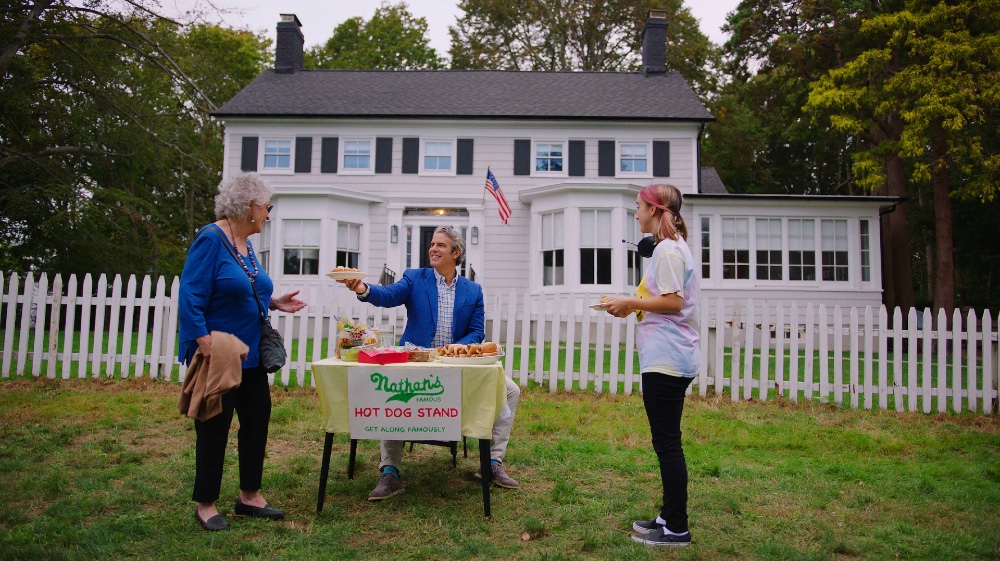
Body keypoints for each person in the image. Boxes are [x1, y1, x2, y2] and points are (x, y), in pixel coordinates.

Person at [338, 226, 521, 500]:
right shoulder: (415, 278)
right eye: (432, 244)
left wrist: (454, 349)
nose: (433, 249)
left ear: (456, 253)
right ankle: (390, 471)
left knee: (510, 390)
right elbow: (388, 296)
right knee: (393, 393)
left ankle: (492, 464)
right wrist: (363, 289)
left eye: (441, 246)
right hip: (414, 357)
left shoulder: (473, 290)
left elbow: (476, 331)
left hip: (454, 363)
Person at [178, 172, 307, 531]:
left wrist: (274, 302)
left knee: (256, 422)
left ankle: (249, 496)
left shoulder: (244, 242)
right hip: (218, 353)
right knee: (214, 427)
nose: (269, 214)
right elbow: (190, 295)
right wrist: (202, 343)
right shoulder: (211, 239)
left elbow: (243, 288)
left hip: (250, 356)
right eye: (266, 207)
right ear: (249, 207)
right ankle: (205, 504)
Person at [600, 184, 700, 547]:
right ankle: (668, 515)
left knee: (668, 444)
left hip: (669, 359)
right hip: (666, 356)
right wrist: (631, 305)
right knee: (666, 442)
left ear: (657, 211)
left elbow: (673, 303)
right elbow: (663, 300)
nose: (637, 213)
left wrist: (629, 298)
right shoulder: (666, 249)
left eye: (640, 207)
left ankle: (677, 528)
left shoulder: (669, 251)